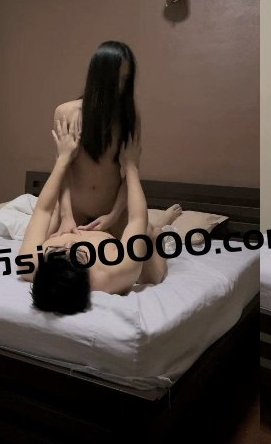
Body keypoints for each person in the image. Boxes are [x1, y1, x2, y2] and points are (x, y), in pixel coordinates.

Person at [17, 119, 180, 316]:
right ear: (89, 279)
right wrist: (131, 167)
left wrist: (62, 159)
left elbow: (43, 210)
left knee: (52, 220)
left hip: (78, 217)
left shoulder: (28, 263)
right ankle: (160, 226)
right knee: (151, 270)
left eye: (57, 251)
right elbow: (137, 218)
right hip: (115, 236)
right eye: (78, 254)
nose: (70, 242)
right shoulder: (117, 272)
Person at [49, 41, 140, 239]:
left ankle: (162, 223)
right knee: (38, 252)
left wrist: (113, 216)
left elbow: (131, 175)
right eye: (115, 79)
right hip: (73, 209)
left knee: (148, 251)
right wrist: (66, 216)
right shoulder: (66, 112)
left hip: (111, 210)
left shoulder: (128, 117)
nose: (120, 87)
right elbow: (61, 170)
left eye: (125, 79)